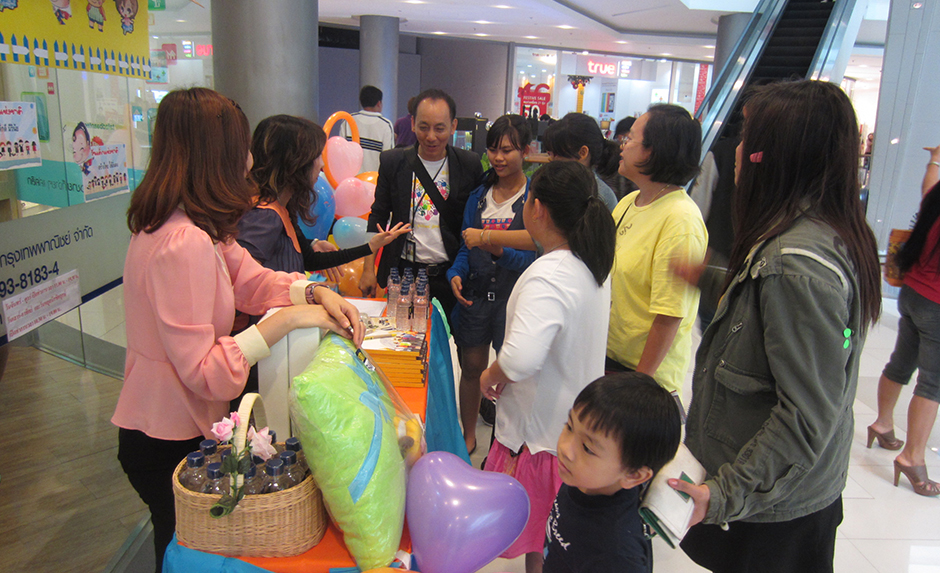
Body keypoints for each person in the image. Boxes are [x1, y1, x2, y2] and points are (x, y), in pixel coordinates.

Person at [112, 88, 365, 573]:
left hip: (172, 426)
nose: (249, 161)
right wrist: (285, 321)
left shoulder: (190, 225)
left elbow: (252, 280)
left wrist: (311, 292)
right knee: (185, 554)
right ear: (215, 153)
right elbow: (206, 371)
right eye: (241, 147)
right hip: (169, 435)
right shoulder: (184, 242)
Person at [669, 80, 882, 572]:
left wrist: (723, 494)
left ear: (777, 155)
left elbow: (805, 416)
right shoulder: (817, 232)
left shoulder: (795, 263)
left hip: (771, 510)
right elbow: (774, 321)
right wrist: (710, 277)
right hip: (784, 492)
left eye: (749, 138)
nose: (738, 150)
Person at [480, 160, 615, 573]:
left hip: (541, 437)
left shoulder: (550, 274)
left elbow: (519, 358)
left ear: (536, 208)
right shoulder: (589, 263)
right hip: (570, 426)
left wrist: (490, 375)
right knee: (549, 536)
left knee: (544, 532)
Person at [235, 114, 410, 399]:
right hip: (267, 360)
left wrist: (369, 247)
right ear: (296, 162)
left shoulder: (280, 210)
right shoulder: (264, 218)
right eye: (317, 156)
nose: (322, 165)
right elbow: (242, 283)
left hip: (278, 351)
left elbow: (310, 260)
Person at [447, 114, 536, 456]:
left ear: (526, 151)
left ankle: (506, 443)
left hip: (515, 301)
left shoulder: (534, 199)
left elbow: (536, 257)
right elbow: (465, 247)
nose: (498, 158)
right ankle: (468, 435)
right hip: (475, 298)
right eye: (493, 150)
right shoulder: (479, 196)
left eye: (508, 150)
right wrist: (456, 273)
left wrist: (499, 250)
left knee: (512, 373)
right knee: (471, 367)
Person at [606, 104, 707, 398]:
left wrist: (639, 384)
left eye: (630, 138)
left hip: (644, 377)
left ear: (653, 151)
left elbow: (669, 315)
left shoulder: (680, 219)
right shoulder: (629, 202)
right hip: (610, 357)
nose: (622, 145)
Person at [360, 88, 484, 323]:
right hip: (403, 275)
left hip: (450, 276)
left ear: (453, 126)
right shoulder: (393, 162)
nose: (431, 137)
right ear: (413, 124)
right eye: (424, 127)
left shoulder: (469, 164)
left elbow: (475, 220)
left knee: (446, 340)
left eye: (440, 128)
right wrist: (368, 269)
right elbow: (378, 216)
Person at [544, 372, 682, 573]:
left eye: (587, 448)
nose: (566, 449)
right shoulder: (584, 479)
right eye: (570, 427)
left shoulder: (617, 554)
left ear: (633, 476)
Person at [868, 148, 940, 497]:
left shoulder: (935, 198)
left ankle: (883, 424)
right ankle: (912, 457)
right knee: (932, 383)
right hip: (937, 303)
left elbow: (929, 183)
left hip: (911, 293)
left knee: (900, 363)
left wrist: (935, 158)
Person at [542, 112, 620, 211]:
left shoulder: (599, 197)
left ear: (583, 153)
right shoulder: (558, 184)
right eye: (550, 153)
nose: (551, 159)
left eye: (558, 154)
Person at [340, 85, 395, 173]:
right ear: (379, 103)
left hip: (350, 178)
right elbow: (389, 159)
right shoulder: (386, 125)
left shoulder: (348, 121)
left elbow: (341, 153)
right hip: (375, 178)